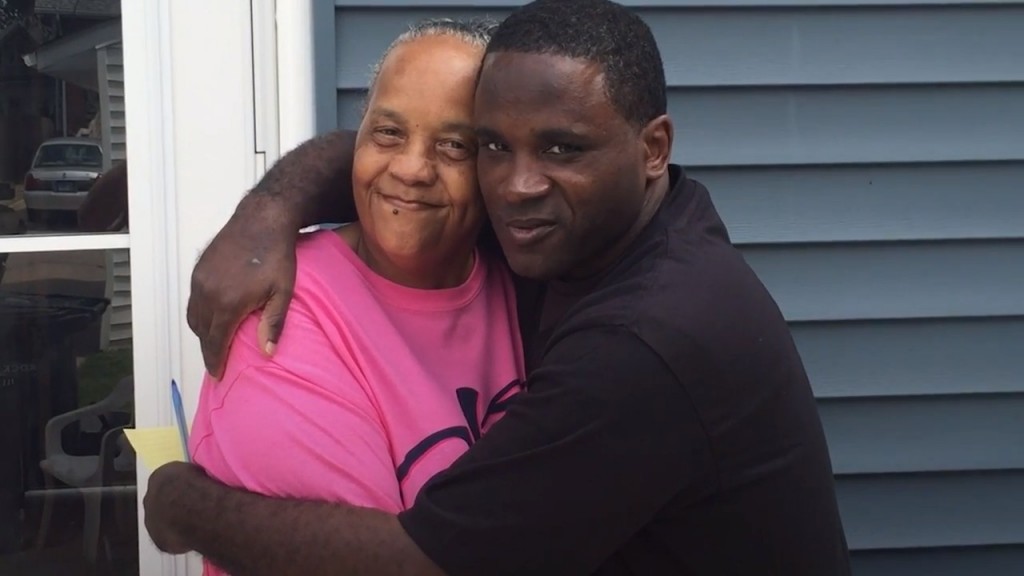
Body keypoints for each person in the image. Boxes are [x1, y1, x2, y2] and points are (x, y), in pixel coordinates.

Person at [145, 1, 852, 574]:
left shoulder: (646, 341)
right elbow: (399, 159)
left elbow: (424, 564)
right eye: (490, 147)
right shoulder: (601, 230)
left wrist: (190, 509)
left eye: (561, 148)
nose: (518, 186)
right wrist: (267, 210)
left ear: (653, 149)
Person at [184, 18, 526, 576]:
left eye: (454, 145)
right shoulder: (283, 314)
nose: (413, 169)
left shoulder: (520, 277)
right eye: (388, 133)